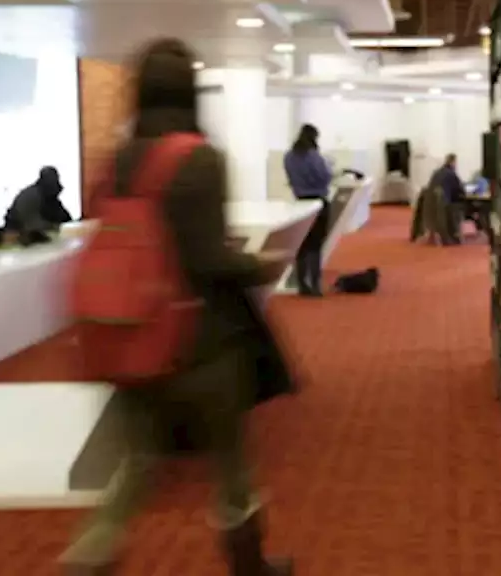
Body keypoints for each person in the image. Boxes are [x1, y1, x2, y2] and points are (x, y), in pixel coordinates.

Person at [59, 37, 296, 576]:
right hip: (201, 341)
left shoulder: (116, 161)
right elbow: (207, 258)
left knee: (137, 463)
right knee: (231, 463)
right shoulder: (199, 157)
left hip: (128, 331)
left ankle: (86, 558)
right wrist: (257, 266)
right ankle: (250, 566)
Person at [282, 124, 333, 297]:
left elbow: (290, 177)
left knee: (302, 245)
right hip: (318, 201)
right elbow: (325, 177)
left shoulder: (289, 156)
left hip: (299, 202)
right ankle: (315, 284)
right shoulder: (314, 156)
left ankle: (302, 284)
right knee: (316, 245)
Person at [4, 166, 73, 245]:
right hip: (18, 238)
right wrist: (56, 227)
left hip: (41, 239)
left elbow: (65, 217)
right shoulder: (30, 195)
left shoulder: (50, 196)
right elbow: (32, 224)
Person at [427, 153, 465, 245]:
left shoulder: (436, 172)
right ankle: (455, 234)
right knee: (458, 208)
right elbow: (460, 190)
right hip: (443, 205)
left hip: (430, 204)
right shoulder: (451, 174)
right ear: (453, 162)